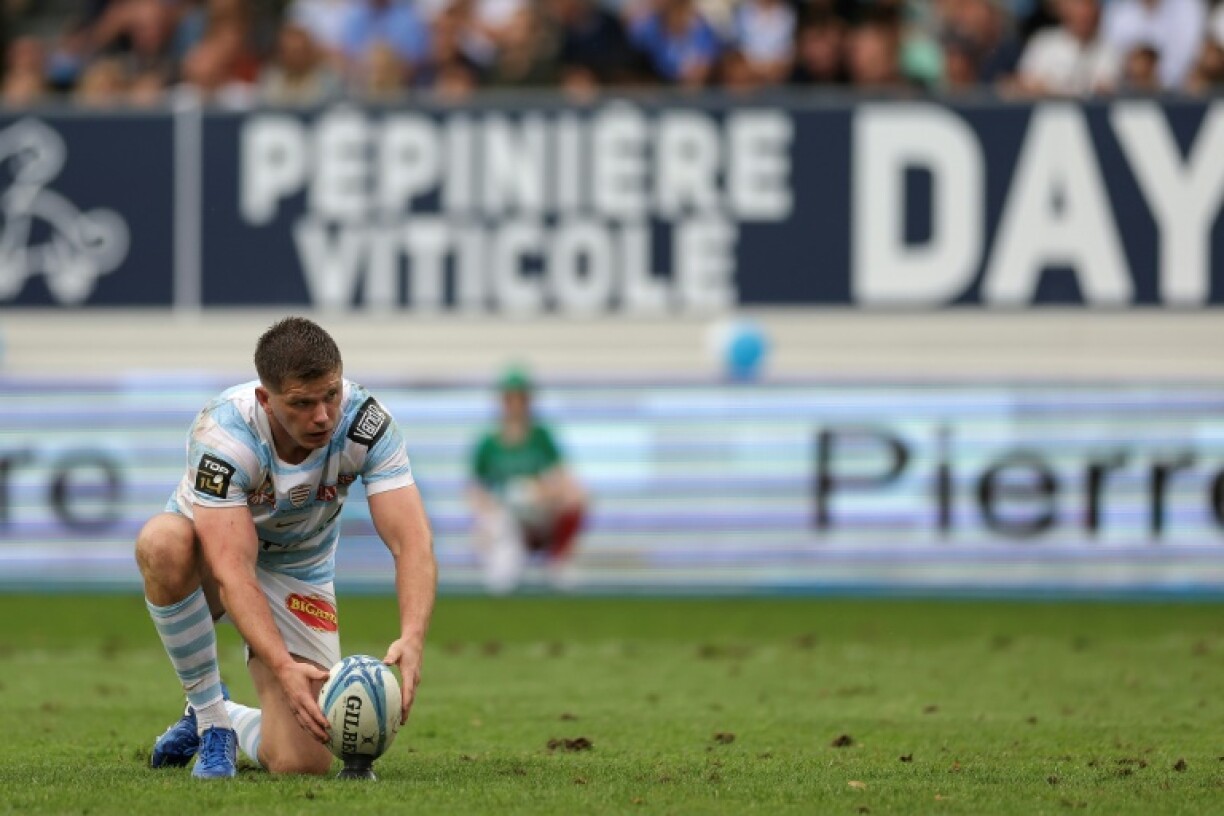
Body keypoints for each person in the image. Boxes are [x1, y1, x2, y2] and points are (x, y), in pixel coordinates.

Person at [136, 317, 436, 779]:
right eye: (302, 403)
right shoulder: (225, 436)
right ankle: (213, 720)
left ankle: (221, 718)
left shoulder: (366, 424)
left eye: (331, 395)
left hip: (300, 570)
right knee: (161, 542)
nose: (322, 416)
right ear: (266, 399)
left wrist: (413, 635)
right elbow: (233, 569)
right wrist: (280, 663)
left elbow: (411, 542)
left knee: (302, 762)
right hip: (214, 558)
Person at [468, 367, 586, 594]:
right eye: (510, 398)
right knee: (501, 577)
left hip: (538, 512)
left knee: (576, 498)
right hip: (504, 518)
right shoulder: (488, 444)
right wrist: (489, 512)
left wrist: (537, 492)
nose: (515, 404)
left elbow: (562, 479)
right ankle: (505, 563)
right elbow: (476, 490)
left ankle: (558, 560)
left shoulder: (541, 437)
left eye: (520, 398)